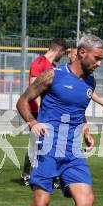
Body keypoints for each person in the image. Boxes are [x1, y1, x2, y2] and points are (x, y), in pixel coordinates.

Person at [5, 35, 103, 206]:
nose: (99, 63)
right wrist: (32, 122)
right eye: (97, 58)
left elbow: (78, 111)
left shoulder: (90, 82)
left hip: (72, 151)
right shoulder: (53, 75)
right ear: (82, 53)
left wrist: (86, 131)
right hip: (47, 147)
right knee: (41, 204)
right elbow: (23, 100)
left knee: (86, 199)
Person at [21, 38, 69, 186]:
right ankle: (28, 174)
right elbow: (33, 89)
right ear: (58, 50)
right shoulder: (40, 62)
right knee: (36, 143)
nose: (63, 56)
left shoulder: (53, 66)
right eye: (63, 53)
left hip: (49, 112)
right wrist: (42, 112)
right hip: (38, 112)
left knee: (51, 145)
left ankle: (51, 176)